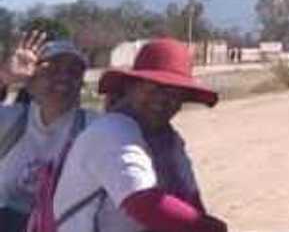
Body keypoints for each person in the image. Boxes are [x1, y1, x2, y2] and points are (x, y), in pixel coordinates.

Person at [53, 39, 227, 232]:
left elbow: (190, 201)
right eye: (153, 88)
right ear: (131, 87)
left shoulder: (169, 141)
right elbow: (144, 204)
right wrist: (210, 228)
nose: (162, 99)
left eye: (174, 93)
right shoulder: (111, 131)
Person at [0, 32, 93, 231]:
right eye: (52, 70)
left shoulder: (93, 127)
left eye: (74, 72)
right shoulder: (12, 120)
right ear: (30, 81)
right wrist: (4, 77)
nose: (63, 78)